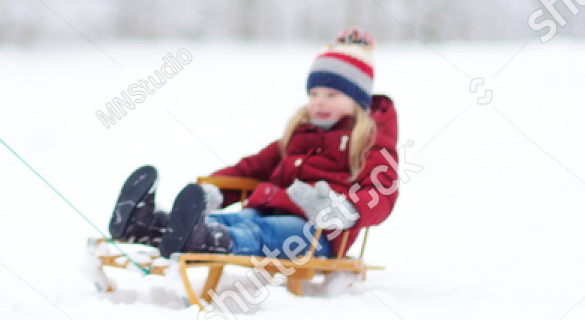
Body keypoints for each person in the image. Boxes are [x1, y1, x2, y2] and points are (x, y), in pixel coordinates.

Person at [107, 28, 399, 260]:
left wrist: (341, 209)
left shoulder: (369, 141)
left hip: (316, 235)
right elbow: (252, 168)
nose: (319, 102)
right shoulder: (299, 132)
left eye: (332, 95)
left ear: (358, 101)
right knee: (232, 220)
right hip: (266, 208)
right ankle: (149, 225)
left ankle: (205, 242)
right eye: (314, 94)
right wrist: (213, 190)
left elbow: (382, 193)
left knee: (261, 231)